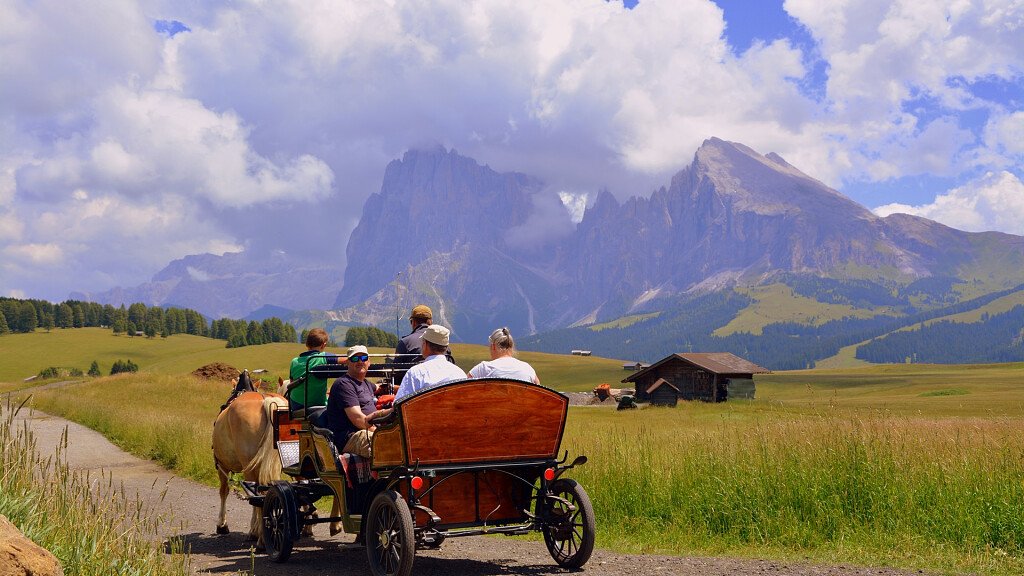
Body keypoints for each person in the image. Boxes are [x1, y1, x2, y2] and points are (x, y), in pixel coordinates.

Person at [323, 345, 388, 457]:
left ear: (368, 362)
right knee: (385, 442)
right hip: (351, 436)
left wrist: (402, 389)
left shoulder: (366, 383)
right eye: (355, 358)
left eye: (363, 358)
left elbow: (380, 387)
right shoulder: (344, 384)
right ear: (347, 362)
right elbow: (358, 419)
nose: (360, 361)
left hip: (368, 430)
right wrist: (381, 432)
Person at [394, 325, 467, 401]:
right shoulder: (460, 374)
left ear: (425, 344)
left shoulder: (415, 373)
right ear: (446, 348)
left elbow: (399, 403)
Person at [287, 328, 340, 425]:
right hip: (317, 404)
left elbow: (291, 383)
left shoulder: (294, 361)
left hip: (296, 405)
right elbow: (347, 360)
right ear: (323, 345)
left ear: (307, 344)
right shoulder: (323, 357)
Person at [468, 327, 540, 384]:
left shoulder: (483, 369)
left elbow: (464, 386)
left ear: (493, 346)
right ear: (511, 347)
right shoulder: (527, 369)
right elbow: (539, 391)